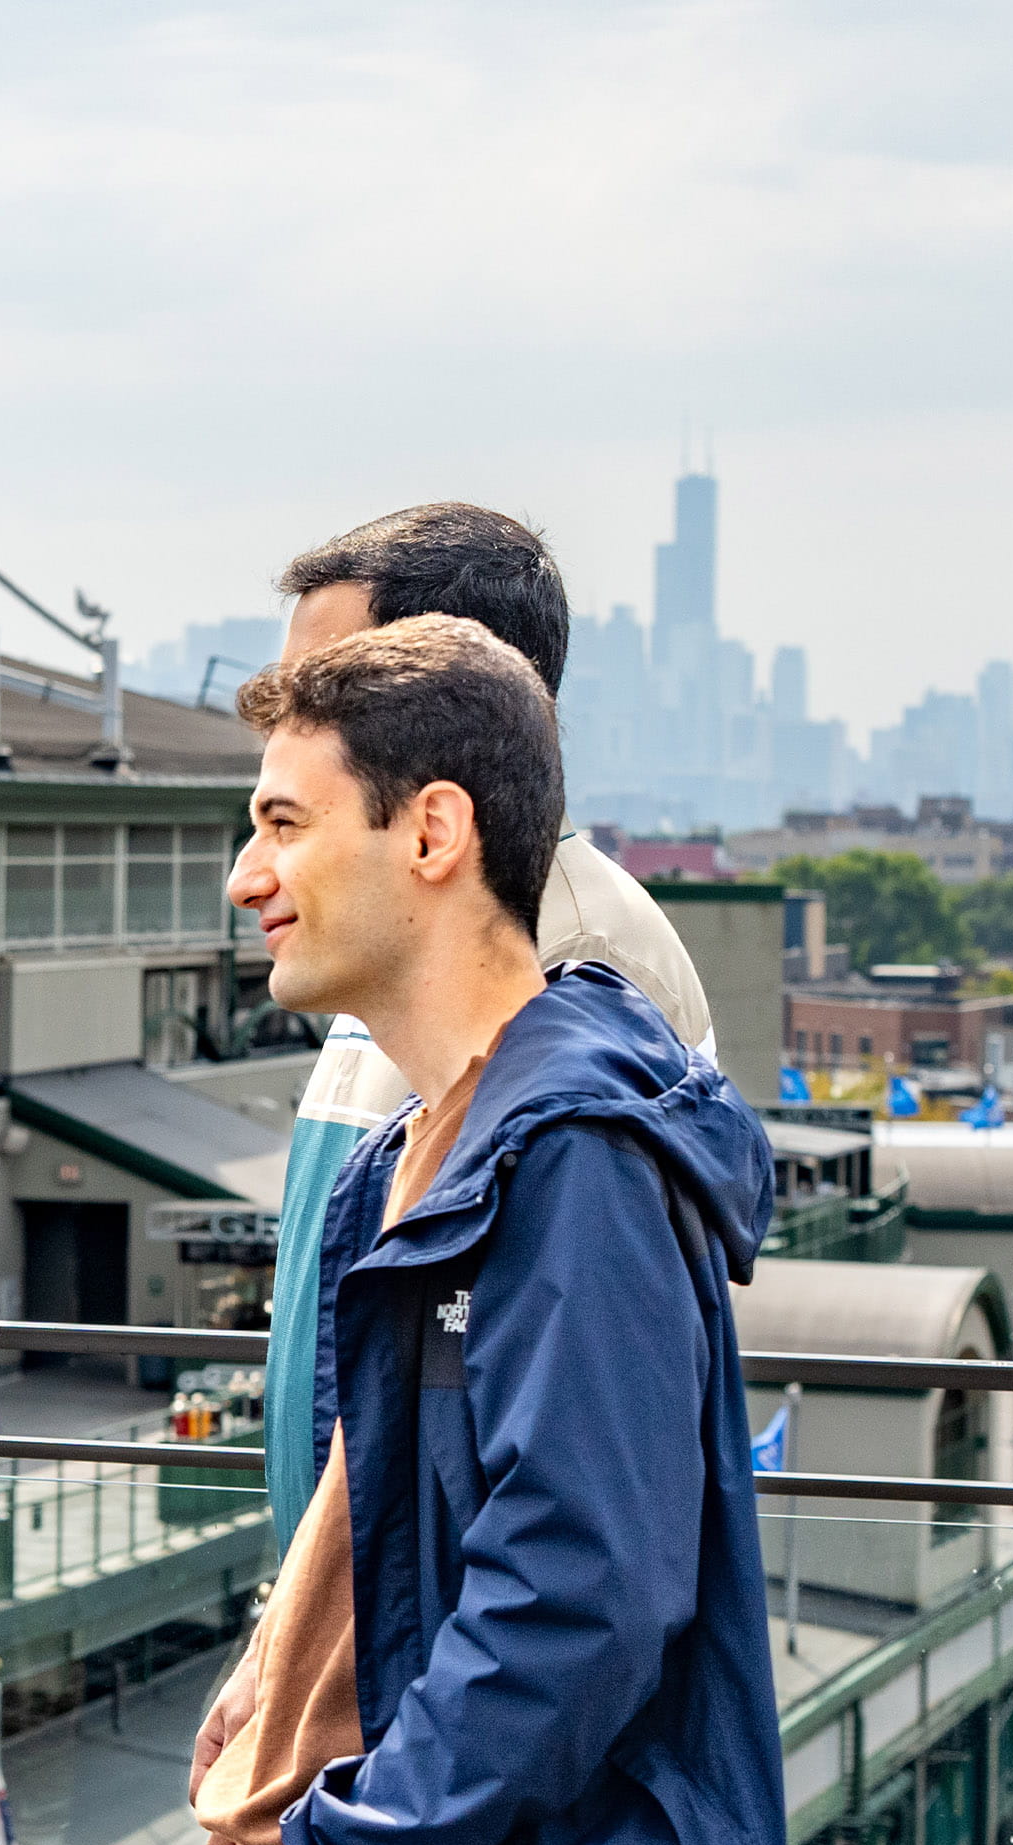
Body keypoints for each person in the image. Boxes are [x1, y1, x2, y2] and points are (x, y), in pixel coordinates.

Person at [210, 614, 790, 1845]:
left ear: (435, 833)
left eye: (285, 822)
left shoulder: (571, 1157)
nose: (249, 876)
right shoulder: (403, 1158)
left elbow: (581, 1586)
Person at [243, 505, 716, 1560]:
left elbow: (574, 1499)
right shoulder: (396, 934)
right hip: (375, 1634)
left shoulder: (579, 959)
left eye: (333, 681)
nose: (293, 722)